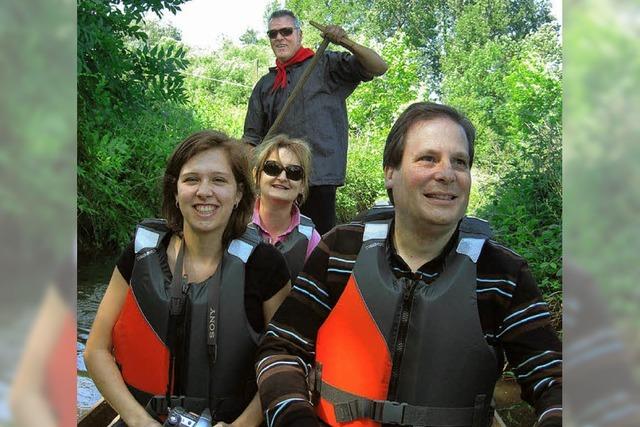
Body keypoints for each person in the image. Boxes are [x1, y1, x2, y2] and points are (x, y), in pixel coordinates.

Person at [255, 102, 563, 427]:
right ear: (391, 172)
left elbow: (554, 377)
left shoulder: (501, 273)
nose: (446, 174)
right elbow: (281, 349)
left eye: (460, 162)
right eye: (428, 158)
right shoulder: (340, 251)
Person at [84, 130, 292, 427]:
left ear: (239, 194)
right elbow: (95, 350)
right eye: (191, 179)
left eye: (219, 180)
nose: (204, 191)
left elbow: (284, 366)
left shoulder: (265, 265)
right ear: (175, 191)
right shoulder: (141, 251)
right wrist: (137, 419)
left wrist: (242, 426)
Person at [243, 9, 388, 235]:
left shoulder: (326, 65)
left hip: (319, 180)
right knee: (273, 242)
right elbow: (251, 140)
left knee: (318, 248)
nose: (279, 37)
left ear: (299, 35)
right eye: (273, 34)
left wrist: (345, 42)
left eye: (286, 31)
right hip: (277, 180)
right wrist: (247, 177)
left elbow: (379, 67)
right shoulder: (265, 85)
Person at [251, 135, 321, 280]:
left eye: (294, 172)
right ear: (256, 176)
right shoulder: (235, 222)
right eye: (272, 168)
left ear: (302, 185)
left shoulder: (311, 238)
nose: (282, 177)